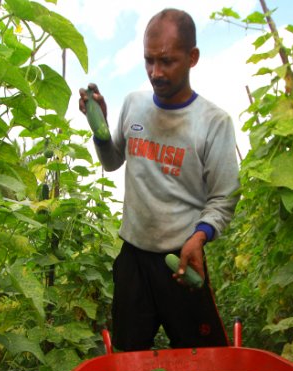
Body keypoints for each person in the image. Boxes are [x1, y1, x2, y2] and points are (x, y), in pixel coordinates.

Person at [78, 8, 240, 351]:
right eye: (149, 61)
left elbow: (223, 198)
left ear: (193, 57)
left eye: (167, 61)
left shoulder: (213, 122)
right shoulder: (134, 104)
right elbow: (111, 162)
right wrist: (101, 128)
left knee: (204, 363)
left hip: (181, 262)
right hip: (132, 260)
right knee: (129, 359)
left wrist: (200, 236)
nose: (156, 72)